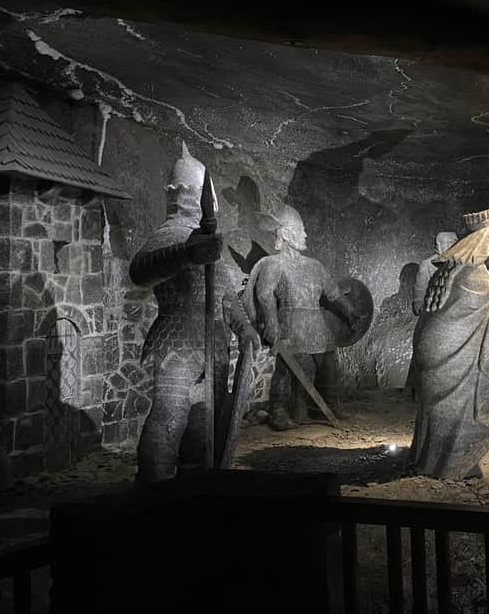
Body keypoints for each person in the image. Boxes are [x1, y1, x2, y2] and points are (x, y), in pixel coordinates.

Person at [130, 143, 259, 482]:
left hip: (212, 347)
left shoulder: (210, 241)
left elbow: (227, 298)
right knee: (169, 420)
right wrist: (187, 253)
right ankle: (153, 498)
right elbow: (141, 271)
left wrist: (244, 328)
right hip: (176, 345)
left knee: (203, 430)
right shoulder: (170, 236)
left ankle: (192, 495)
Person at [409, 208, 489, 479]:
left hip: (434, 345)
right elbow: (480, 307)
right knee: (460, 408)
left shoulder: (453, 266)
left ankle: (429, 460)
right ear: (483, 239)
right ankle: (454, 464)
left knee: (437, 407)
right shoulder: (476, 273)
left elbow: (476, 307)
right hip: (453, 351)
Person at [244, 206, 363, 430]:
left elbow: (334, 293)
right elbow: (264, 293)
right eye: (302, 229)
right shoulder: (273, 263)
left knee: (329, 366)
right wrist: (271, 323)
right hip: (292, 322)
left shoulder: (314, 265)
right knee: (289, 369)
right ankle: (279, 411)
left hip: (317, 324)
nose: (306, 234)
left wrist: (350, 311)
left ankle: (329, 405)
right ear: (287, 234)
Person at [412, 231, 459, 315]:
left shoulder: (463, 262)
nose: (450, 246)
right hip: (436, 313)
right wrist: (423, 309)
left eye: (452, 242)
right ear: (438, 247)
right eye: (445, 243)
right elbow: (419, 298)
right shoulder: (427, 265)